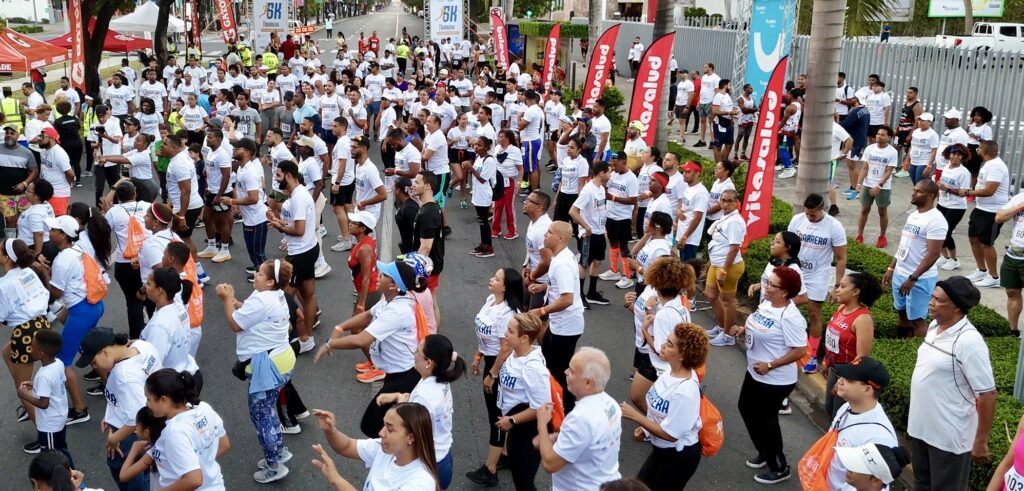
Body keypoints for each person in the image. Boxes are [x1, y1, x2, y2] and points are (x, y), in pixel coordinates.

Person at [907, 276, 995, 490]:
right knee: (923, 485)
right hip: (920, 430)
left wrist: (980, 441)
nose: (931, 302)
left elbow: (987, 394)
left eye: (939, 300)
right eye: (932, 297)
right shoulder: (934, 327)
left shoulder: (969, 341)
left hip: (948, 439)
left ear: (956, 307)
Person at [315, 260, 421, 436]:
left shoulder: (397, 311)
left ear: (394, 285)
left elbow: (361, 340)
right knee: (388, 424)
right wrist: (339, 328)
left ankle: (396, 455)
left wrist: (330, 343)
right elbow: (367, 315)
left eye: (384, 275)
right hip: (396, 373)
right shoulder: (390, 299)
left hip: (405, 376)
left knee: (371, 425)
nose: (378, 276)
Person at [215, 259, 296, 484]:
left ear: (271, 282)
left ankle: (274, 465)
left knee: (261, 416)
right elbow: (252, 313)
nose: (256, 276)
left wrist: (225, 300)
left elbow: (235, 324)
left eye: (260, 273)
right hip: (282, 359)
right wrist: (236, 303)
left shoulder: (262, 298)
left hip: (267, 367)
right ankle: (279, 451)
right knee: (269, 410)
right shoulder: (276, 295)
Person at [729, 267, 807, 484]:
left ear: (784, 292)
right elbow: (759, 325)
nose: (767, 287)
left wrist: (771, 365)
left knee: (766, 420)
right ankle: (765, 451)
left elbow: (800, 350)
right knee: (746, 408)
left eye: (772, 285)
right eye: (767, 282)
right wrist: (743, 330)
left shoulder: (791, 316)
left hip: (775, 379)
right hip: (756, 372)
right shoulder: (767, 304)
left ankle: (779, 466)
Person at [620, 323, 706, 490]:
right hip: (661, 450)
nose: (663, 345)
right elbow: (661, 411)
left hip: (678, 457)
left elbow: (671, 434)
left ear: (682, 355)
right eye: (667, 340)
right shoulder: (670, 370)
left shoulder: (685, 391)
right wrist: (646, 430)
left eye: (670, 344)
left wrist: (636, 417)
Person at [375, 334, 465, 489]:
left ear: (429, 362)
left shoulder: (424, 396)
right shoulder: (438, 380)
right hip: (442, 458)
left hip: (428, 465)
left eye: (417, 352)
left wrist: (401, 407)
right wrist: (397, 397)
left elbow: (410, 429)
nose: (414, 355)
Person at [77, 327, 161, 491]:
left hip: (130, 433)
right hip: (153, 424)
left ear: (105, 352)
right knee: (145, 469)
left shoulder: (123, 375)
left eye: (94, 362)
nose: (95, 367)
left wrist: (113, 439)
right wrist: (111, 414)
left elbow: (135, 419)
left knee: (128, 472)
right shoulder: (143, 346)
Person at [45, 214, 105, 424]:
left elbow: (56, 291)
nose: (50, 232)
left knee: (63, 361)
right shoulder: (78, 249)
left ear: (63, 235)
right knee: (92, 346)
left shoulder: (63, 258)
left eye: (53, 230)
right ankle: (107, 383)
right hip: (93, 305)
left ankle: (80, 410)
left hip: (81, 311)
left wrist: (43, 274)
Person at [465, 268, 523, 486]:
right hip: (489, 359)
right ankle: (505, 454)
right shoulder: (491, 300)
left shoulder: (507, 314)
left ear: (505, 287)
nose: (492, 279)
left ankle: (490, 469)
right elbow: (485, 334)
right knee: (499, 411)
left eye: (497, 279)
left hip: (499, 365)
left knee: (496, 416)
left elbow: (505, 349)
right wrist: (478, 355)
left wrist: (492, 374)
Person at [535, 347, 622, 490]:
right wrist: (557, 436)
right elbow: (591, 438)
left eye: (572, 371)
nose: (566, 372)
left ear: (588, 382)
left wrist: (542, 425)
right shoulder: (611, 405)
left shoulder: (580, 418)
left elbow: (550, 464)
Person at [311, 403, 439, 490]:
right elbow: (346, 446)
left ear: (411, 437)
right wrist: (331, 431)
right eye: (384, 425)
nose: (381, 433)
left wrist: (336, 479)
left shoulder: (420, 482)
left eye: (390, 429)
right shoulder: (385, 449)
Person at [139, 368, 230, 489]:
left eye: (149, 399)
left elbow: (194, 479)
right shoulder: (203, 408)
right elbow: (224, 444)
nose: (147, 404)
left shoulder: (174, 432)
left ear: (163, 400)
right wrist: (198, 464)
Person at [787, 193, 847, 372]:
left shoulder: (834, 227)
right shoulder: (798, 220)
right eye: (807, 213)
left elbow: (841, 258)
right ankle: (788, 345)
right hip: (796, 272)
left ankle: (812, 355)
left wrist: (838, 286)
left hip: (817, 276)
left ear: (823, 210)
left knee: (814, 315)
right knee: (787, 310)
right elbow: (787, 245)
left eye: (812, 214)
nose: (809, 217)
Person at [630, 256, 695, 413]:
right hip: (673, 366)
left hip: (661, 367)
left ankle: (656, 427)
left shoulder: (664, 314)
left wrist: (645, 330)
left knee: (637, 396)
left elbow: (662, 352)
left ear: (657, 283)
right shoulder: (680, 305)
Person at [883, 180, 947, 338]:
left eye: (918, 191)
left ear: (931, 196)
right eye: (914, 190)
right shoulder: (913, 215)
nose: (913, 193)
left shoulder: (936, 220)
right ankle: (902, 344)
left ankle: (917, 352)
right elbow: (904, 245)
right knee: (902, 312)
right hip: (901, 273)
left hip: (919, 279)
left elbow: (933, 254)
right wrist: (891, 268)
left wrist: (913, 278)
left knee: (918, 319)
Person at [496, 312, 551, 490]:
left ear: (524, 338)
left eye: (510, 331)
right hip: (515, 431)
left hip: (527, 433)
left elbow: (543, 407)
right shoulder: (516, 354)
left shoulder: (533, 368)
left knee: (524, 482)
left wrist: (512, 420)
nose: (505, 333)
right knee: (519, 478)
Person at [268, 161, 319, 353]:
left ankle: (302, 335)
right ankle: (307, 336)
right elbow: (295, 223)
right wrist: (277, 221)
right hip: (306, 249)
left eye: (278, 175)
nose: (276, 179)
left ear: (288, 175)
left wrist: (280, 226)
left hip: (302, 253)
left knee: (285, 296)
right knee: (308, 293)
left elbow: (298, 230)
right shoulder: (299, 194)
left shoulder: (299, 198)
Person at [826, 357, 899, 489]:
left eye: (848, 379)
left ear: (867, 390)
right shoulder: (847, 406)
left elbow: (874, 485)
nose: (839, 381)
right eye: (841, 376)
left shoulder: (879, 438)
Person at [0, 238, 51, 424]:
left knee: (22, 389)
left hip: (25, 334)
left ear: (6, 258)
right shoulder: (29, 271)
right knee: (7, 352)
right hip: (42, 325)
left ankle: (43, 432)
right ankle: (31, 397)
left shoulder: (4, 284)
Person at [822, 272, 883, 418]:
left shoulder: (863, 319)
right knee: (829, 408)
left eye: (842, 286)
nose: (837, 290)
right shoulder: (840, 309)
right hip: (834, 369)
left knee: (839, 415)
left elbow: (862, 356)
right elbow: (833, 341)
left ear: (855, 291)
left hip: (848, 376)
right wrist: (826, 361)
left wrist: (844, 380)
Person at [221, 138, 268, 283]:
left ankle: (267, 278)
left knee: (258, 252)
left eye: (238, 148)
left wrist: (232, 201)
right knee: (252, 251)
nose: (234, 150)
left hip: (257, 219)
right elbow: (239, 188)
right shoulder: (241, 168)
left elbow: (253, 198)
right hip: (249, 218)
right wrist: (237, 204)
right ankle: (258, 270)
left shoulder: (250, 172)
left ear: (247, 152)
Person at [16, 329, 69, 459]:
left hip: (49, 424)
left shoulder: (44, 375)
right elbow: (57, 383)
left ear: (41, 354)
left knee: (52, 457)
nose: (30, 349)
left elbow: (44, 404)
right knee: (61, 449)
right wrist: (36, 385)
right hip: (60, 416)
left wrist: (23, 395)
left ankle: (62, 476)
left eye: (32, 347)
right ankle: (69, 471)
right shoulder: (58, 363)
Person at [964, 140, 1010, 288]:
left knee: (986, 243)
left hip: (992, 212)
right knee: (973, 238)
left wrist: (967, 192)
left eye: (979, 148)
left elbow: (989, 191)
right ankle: (981, 269)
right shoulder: (989, 164)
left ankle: (994, 276)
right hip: (981, 208)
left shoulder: (996, 166)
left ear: (984, 150)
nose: (977, 150)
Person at [141, 268, 200, 379]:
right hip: (187, 371)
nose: (145, 286)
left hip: (172, 384)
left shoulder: (160, 325)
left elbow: (152, 365)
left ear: (159, 291)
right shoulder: (178, 306)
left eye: (148, 283)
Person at [705, 189, 746, 345]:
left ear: (736, 203)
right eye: (723, 200)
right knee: (710, 294)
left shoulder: (735, 221)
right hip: (716, 263)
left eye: (730, 201)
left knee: (727, 301)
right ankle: (722, 326)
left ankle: (729, 336)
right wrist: (710, 261)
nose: (725, 204)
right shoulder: (725, 218)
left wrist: (724, 271)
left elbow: (734, 248)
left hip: (728, 266)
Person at [571, 160, 613, 307]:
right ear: (601, 173)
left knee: (597, 261)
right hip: (589, 235)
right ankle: (579, 295)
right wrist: (586, 227)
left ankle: (592, 293)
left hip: (600, 232)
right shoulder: (588, 190)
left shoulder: (601, 189)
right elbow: (573, 211)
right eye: (609, 172)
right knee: (584, 264)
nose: (610, 174)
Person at [854, 125, 899, 247]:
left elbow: (888, 171)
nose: (879, 136)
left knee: (882, 211)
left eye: (883, 135)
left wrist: (879, 185)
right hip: (868, 184)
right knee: (864, 210)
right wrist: (859, 183)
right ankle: (859, 235)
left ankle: (882, 236)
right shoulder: (869, 149)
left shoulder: (892, 152)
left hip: (883, 187)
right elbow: (864, 167)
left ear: (889, 137)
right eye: (878, 134)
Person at [601, 153, 639, 290]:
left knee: (623, 246)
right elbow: (606, 190)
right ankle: (614, 270)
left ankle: (627, 276)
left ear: (624, 162)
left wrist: (613, 198)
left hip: (623, 217)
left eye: (616, 164)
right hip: (610, 214)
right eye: (612, 164)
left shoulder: (631, 179)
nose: (614, 167)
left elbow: (633, 201)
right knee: (612, 242)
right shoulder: (613, 174)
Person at [412, 171, 445, 324]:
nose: (413, 185)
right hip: (434, 264)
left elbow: (425, 247)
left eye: (417, 182)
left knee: (424, 305)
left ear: (427, 186)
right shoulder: (431, 208)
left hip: (428, 268)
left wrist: (415, 271)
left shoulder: (427, 213)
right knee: (432, 302)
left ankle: (429, 334)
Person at [196, 129, 234, 263]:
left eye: (210, 137)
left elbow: (226, 176)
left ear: (218, 139)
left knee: (221, 221)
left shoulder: (222, 155)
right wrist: (207, 187)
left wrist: (219, 195)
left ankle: (225, 250)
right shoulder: (211, 153)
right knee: (206, 218)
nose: (207, 139)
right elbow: (211, 173)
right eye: (207, 137)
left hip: (221, 193)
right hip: (211, 191)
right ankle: (212, 247)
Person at [935, 144, 972, 271]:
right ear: (948, 154)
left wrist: (948, 189)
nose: (955, 157)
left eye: (959, 155)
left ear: (963, 157)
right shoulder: (946, 168)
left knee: (946, 232)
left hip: (956, 206)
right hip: (943, 203)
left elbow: (964, 192)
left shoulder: (964, 173)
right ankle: (944, 256)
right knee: (937, 230)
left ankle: (954, 259)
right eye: (953, 154)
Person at [522, 190, 553, 309]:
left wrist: (531, 278)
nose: (525, 202)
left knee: (534, 322)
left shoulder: (543, 229)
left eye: (529, 201)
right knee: (523, 308)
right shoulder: (534, 222)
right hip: (533, 275)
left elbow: (546, 261)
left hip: (541, 281)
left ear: (539, 207)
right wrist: (526, 265)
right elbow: (532, 248)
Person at [673, 161, 708, 261]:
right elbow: (685, 207)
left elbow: (697, 218)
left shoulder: (701, 193)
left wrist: (684, 237)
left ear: (697, 174)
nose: (684, 174)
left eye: (688, 172)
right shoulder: (689, 187)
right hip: (682, 234)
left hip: (690, 239)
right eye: (683, 171)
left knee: (688, 269)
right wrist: (679, 211)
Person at [904, 112, 938, 185]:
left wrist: (929, 166)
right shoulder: (915, 132)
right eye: (919, 120)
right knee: (915, 183)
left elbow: (934, 151)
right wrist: (907, 160)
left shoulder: (933, 134)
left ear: (929, 122)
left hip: (923, 162)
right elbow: (912, 146)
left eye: (923, 120)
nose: (920, 122)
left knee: (920, 183)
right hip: (913, 161)